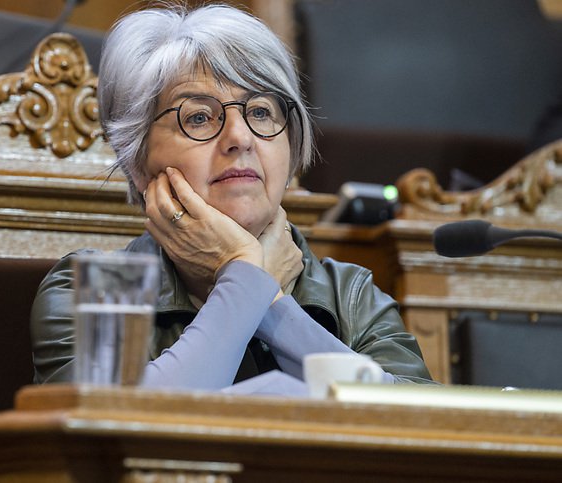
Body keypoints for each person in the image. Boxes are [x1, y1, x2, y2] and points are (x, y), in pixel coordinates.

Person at [30, 3, 435, 392]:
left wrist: (268, 299)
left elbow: (418, 428)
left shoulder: (349, 293)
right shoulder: (96, 290)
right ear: (137, 161)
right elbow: (117, 431)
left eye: (260, 112)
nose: (240, 138)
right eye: (198, 117)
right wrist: (247, 278)